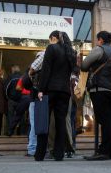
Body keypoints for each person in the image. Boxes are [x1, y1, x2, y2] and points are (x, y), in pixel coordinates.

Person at [35, 30, 78, 161]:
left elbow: (46, 70)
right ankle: (59, 154)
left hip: (50, 90)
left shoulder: (51, 48)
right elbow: (73, 72)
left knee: (44, 121)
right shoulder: (71, 52)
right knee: (61, 123)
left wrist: (41, 89)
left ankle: (40, 154)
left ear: (56, 38)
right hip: (65, 91)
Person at [81, 31, 111, 161]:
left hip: (99, 89)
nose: (97, 42)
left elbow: (84, 65)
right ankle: (109, 151)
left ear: (101, 40)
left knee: (105, 120)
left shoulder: (99, 49)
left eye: (98, 40)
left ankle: (103, 152)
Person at [25, 50, 45, 157]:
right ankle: (33, 148)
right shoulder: (42, 71)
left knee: (34, 125)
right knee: (39, 124)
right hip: (40, 99)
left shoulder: (31, 70)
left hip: (33, 99)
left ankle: (32, 148)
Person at [5, 65, 21, 135]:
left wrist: (8, 97)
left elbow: (6, 88)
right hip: (20, 100)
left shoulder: (10, 77)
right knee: (20, 116)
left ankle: (10, 131)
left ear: (13, 70)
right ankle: (20, 133)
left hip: (11, 100)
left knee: (10, 116)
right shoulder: (22, 77)